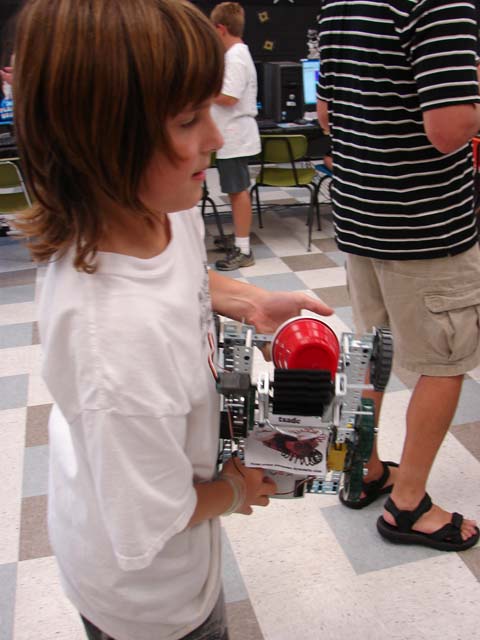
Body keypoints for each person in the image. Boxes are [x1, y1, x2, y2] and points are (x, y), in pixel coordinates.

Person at [12, 1, 333, 639]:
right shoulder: (114, 340)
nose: (214, 136)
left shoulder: (160, 202)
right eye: (188, 120)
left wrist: (246, 299)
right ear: (101, 137)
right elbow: (147, 522)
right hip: (147, 601)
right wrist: (238, 489)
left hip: (155, 496)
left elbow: (178, 277)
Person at [317, 0, 480, 551]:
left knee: (372, 350)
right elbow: (449, 130)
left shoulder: (339, 3)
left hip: (361, 217)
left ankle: (362, 471)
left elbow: (327, 116)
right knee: (444, 362)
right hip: (426, 226)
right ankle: (408, 505)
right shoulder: (440, 3)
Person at [210, 2, 260, 271]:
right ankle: (239, 237)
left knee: (237, 191)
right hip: (231, 134)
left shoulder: (236, 57)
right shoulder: (235, 55)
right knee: (234, 190)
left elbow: (229, 97)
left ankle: (244, 250)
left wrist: (200, 91)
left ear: (220, 29)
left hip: (235, 135)